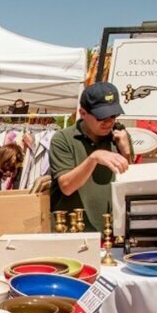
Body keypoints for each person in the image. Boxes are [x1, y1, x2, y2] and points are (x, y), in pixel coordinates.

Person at [49, 82, 132, 232]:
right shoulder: (63, 139)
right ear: (83, 113)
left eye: (113, 116)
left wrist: (126, 152)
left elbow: (130, 183)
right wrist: (93, 158)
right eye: (102, 117)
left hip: (111, 229)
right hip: (72, 230)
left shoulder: (120, 136)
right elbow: (67, 186)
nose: (109, 122)